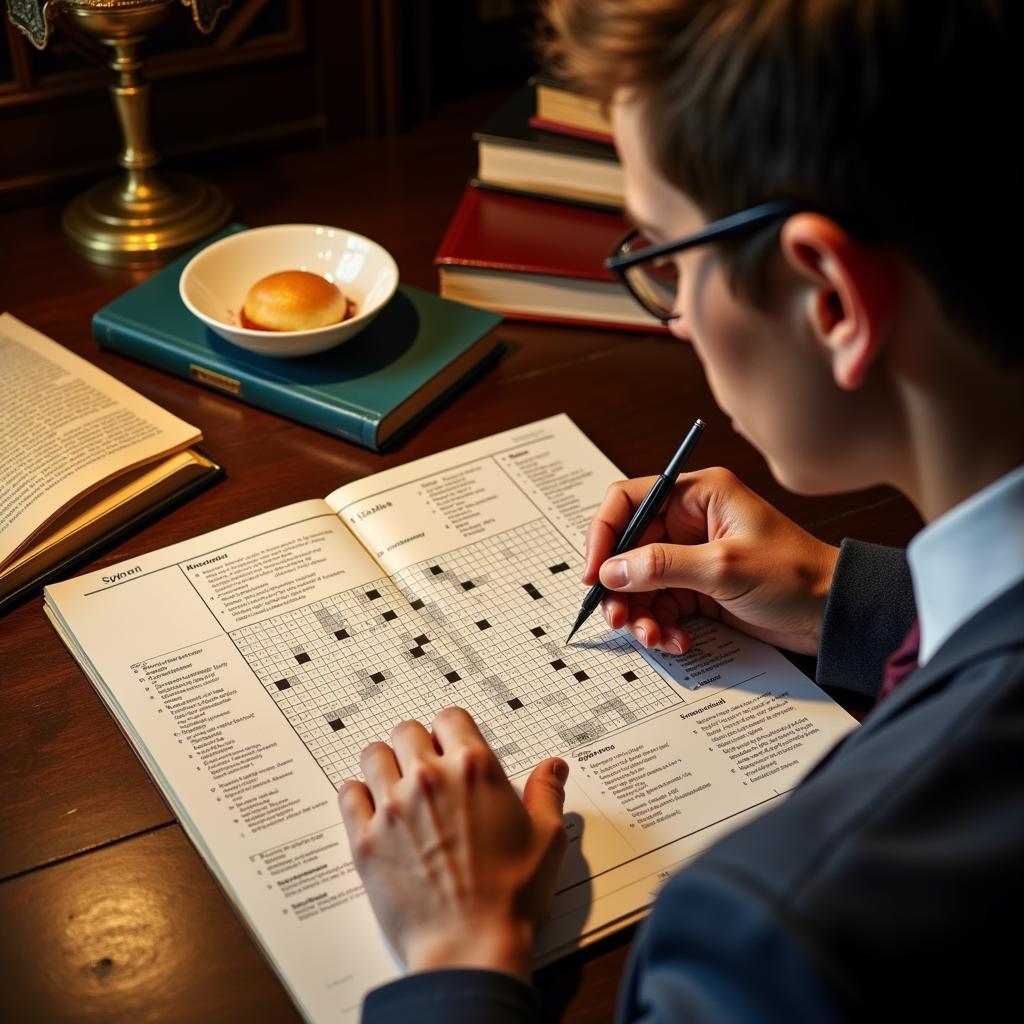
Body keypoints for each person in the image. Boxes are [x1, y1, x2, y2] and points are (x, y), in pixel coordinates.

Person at [339, 1, 1024, 1018]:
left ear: (827, 297)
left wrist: (458, 950)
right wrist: (842, 595)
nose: (671, 318)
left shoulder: (774, 936)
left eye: (666, 256)